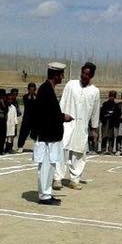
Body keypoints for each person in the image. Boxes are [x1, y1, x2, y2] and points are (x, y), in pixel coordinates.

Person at [30, 62, 73, 205]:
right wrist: (63, 117)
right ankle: (44, 195)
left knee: (51, 166)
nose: (62, 77)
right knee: (46, 166)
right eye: (61, 74)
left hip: (52, 136)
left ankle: (47, 192)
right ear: (56, 75)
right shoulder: (45, 90)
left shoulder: (48, 89)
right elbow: (48, 114)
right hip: (46, 136)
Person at [55, 62, 100, 190]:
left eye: (87, 74)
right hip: (67, 123)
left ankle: (75, 179)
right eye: (83, 73)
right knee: (62, 149)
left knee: (79, 152)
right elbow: (62, 102)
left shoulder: (95, 91)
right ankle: (57, 178)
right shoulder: (71, 85)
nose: (84, 76)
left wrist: (94, 129)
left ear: (91, 76)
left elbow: (96, 111)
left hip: (82, 125)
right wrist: (59, 118)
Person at [16, 82, 37, 151]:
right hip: (27, 118)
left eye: (33, 90)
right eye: (30, 89)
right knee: (23, 133)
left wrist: (34, 97)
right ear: (28, 89)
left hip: (35, 119)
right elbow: (27, 104)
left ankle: (36, 146)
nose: (32, 91)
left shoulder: (37, 97)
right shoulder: (25, 97)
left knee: (35, 133)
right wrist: (30, 96)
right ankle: (20, 146)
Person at [99, 90, 119, 154]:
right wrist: (106, 115)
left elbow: (117, 114)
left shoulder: (116, 105)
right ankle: (103, 149)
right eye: (110, 96)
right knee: (104, 136)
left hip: (112, 123)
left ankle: (110, 149)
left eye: (113, 96)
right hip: (105, 122)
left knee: (111, 137)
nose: (111, 97)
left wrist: (112, 115)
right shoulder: (105, 104)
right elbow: (102, 113)